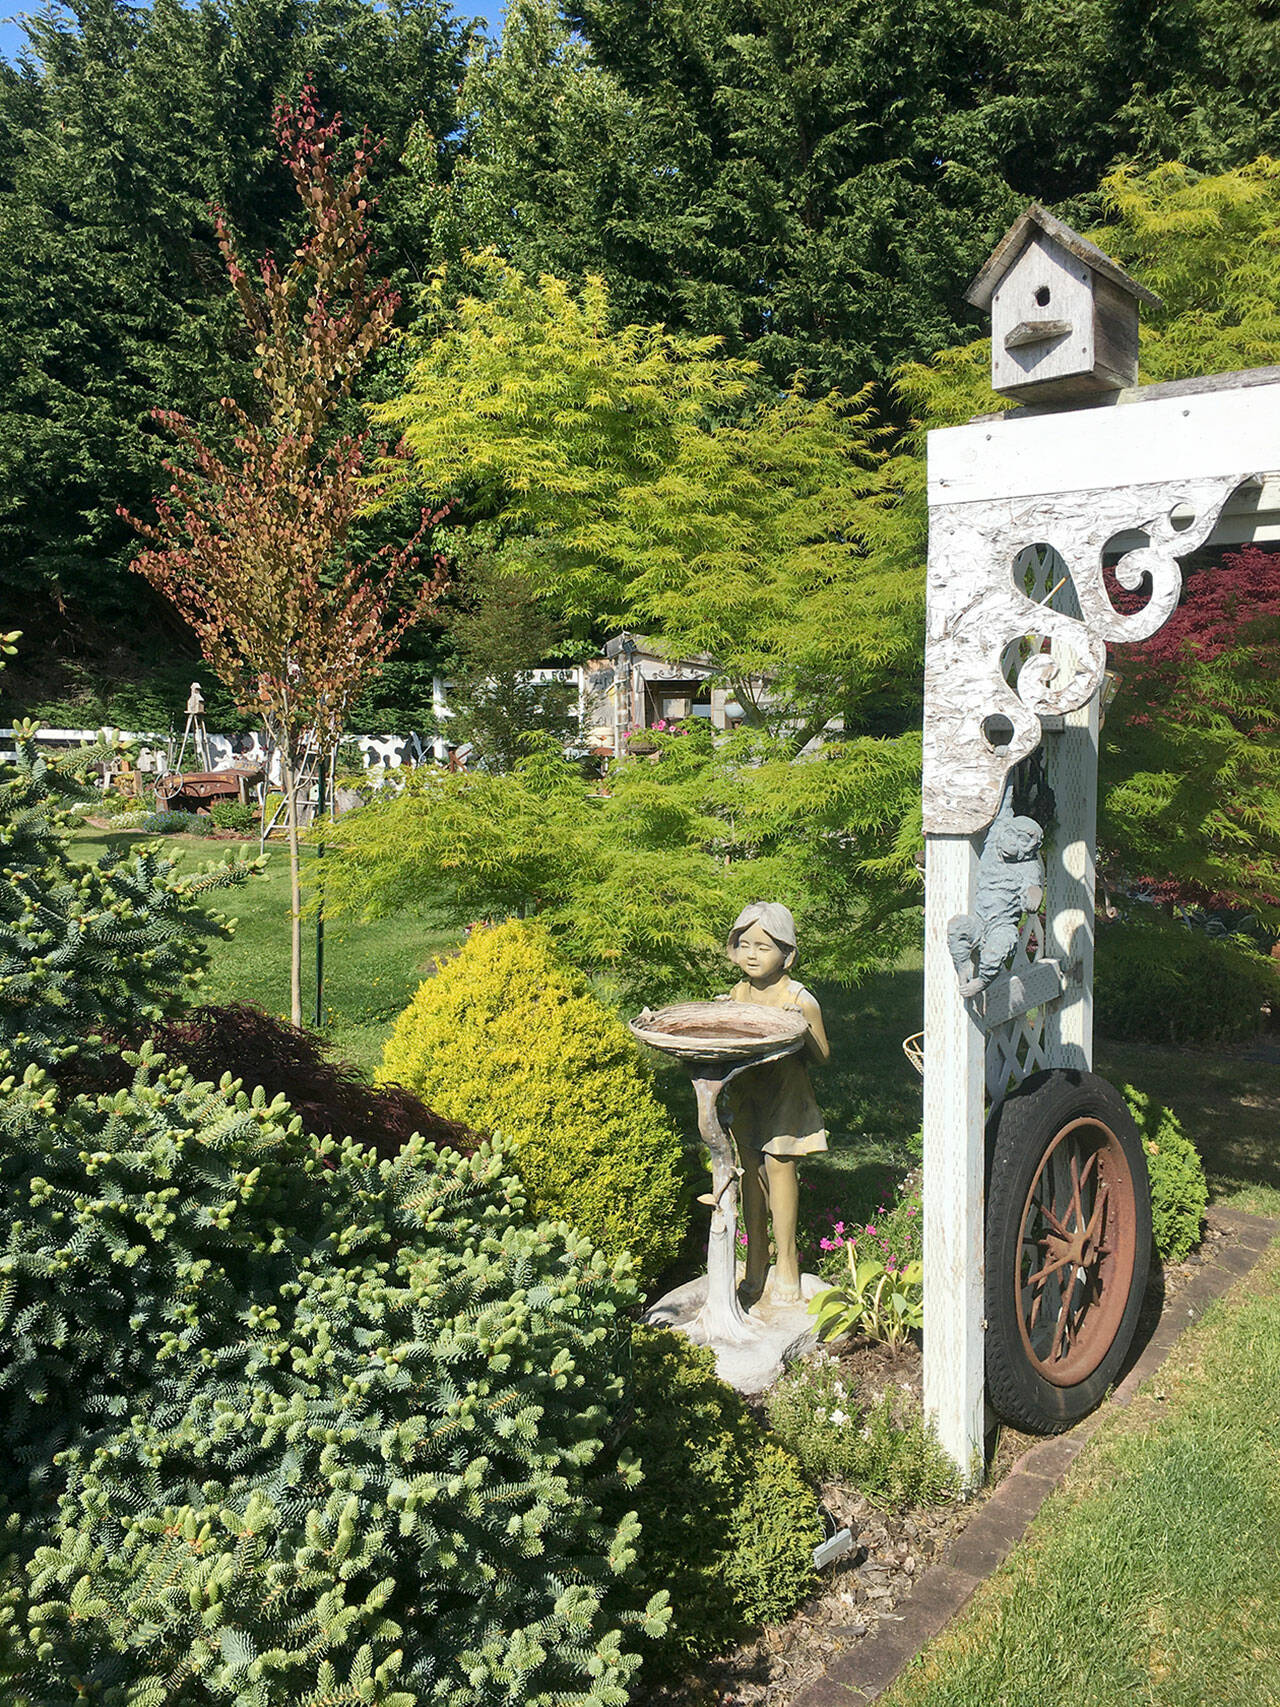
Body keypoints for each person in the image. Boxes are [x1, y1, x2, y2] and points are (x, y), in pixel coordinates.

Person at [723, 902, 830, 1306]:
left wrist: (800, 1027)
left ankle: (787, 1263)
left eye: (763, 947)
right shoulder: (738, 994)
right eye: (744, 944)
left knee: (780, 1170)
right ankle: (754, 1261)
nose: (752, 954)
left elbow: (821, 1055)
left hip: (785, 1095)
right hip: (749, 1092)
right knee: (750, 1172)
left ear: (787, 955)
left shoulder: (799, 998)